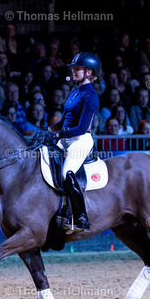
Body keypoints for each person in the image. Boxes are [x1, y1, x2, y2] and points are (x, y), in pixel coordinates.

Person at [54, 52, 101, 232]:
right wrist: (46, 131)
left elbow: (81, 128)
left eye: (77, 68)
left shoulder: (91, 95)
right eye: (73, 68)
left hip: (79, 140)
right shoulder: (74, 92)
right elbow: (63, 121)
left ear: (89, 72)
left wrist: (59, 134)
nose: (73, 71)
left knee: (67, 173)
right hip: (65, 137)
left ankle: (81, 218)